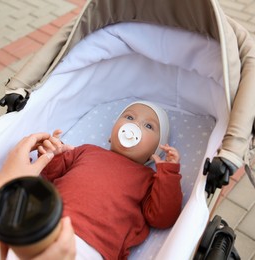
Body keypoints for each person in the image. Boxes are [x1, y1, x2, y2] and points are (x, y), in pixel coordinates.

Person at [37, 101, 183, 259]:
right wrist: (53, 153)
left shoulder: (149, 179)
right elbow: (52, 174)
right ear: (110, 134)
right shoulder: (86, 150)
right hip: (46, 223)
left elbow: (163, 218)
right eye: (129, 117)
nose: (135, 126)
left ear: (154, 151)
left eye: (149, 126)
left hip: (91, 245)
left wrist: (168, 174)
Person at [0, 133, 76, 260]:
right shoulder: (89, 150)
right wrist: (52, 154)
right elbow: (57, 170)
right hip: (43, 223)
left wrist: (2, 184)